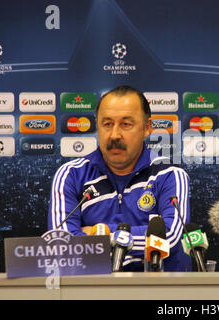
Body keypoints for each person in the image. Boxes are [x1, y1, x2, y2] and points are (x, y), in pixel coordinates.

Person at [48, 85, 191, 271]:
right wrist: (137, 239)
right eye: (107, 124)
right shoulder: (70, 175)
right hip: (91, 291)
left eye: (126, 124)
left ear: (147, 128)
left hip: (156, 291)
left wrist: (97, 234)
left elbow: (170, 238)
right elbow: (63, 244)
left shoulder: (169, 175)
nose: (115, 135)